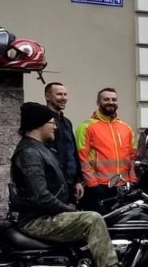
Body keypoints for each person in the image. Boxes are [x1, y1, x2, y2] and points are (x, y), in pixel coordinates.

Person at [10, 102, 119, 267]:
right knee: (92, 219)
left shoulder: (40, 148)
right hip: (37, 220)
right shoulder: (30, 153)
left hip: (46, 215)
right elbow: (41, 196)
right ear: (38, 124)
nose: (55, 127)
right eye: (51, 122)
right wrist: (69, 209)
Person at [76, 87, 136, 212]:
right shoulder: (86, 126)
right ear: (98, 102)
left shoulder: (126, 128)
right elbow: (82, 158)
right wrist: (93, 184)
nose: (110, 102)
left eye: (114, 99)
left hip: (123, 186)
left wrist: (133, 180)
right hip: (99, 187)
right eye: (106, 99)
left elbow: (132, 157)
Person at [43, 82, 83, 203]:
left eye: (65, 94)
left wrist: (78, 181)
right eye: (59, 94)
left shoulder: (66, 122)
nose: (64, 98)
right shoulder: (43, 121)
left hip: (70, 183)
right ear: (47, 96)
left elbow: (73, 152)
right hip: (53, 184)